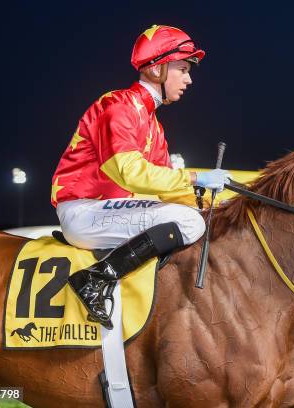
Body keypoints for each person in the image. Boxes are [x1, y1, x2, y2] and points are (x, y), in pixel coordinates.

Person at [51, 25, 231, 329]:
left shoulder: (153, 125)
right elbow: (130, 173)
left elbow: (168, 190)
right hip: (84, 211)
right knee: (189, 222)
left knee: (193, 215)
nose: (189, 79)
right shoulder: (117, 105)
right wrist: (197, 177)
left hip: (106, 212)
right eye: (183, 69)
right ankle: (95, 279)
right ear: (158, 69)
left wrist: (224, 206)